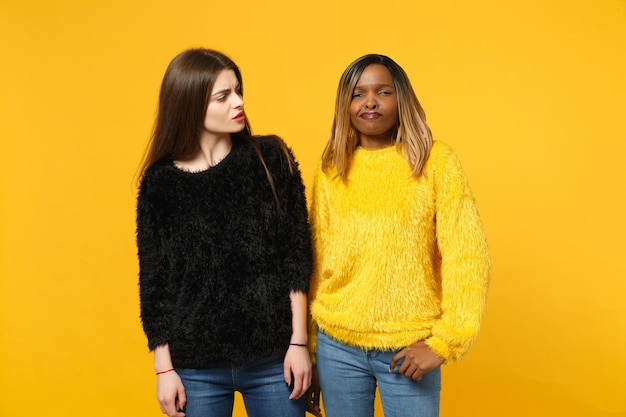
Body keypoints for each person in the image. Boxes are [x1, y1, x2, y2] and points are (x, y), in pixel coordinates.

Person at [307, 54, 491, 417]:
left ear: (401, 99)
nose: (370, 102)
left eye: (383, 91)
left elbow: (467, 256)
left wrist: (444, 343)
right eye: (357, 94)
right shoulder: (331, 167)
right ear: (345, 104)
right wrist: (311, 350)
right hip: (337, 346)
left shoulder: (436, 162)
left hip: (409, 346)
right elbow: (316, 258)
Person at [136, 48, 313, 417]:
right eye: (223, 96)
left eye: (238, 90)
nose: (239, 102)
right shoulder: (160, 184)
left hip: (273, 358)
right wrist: (163, 368)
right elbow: (156, 285)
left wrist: (299, 342)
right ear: (189, 105)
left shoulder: (271, 158)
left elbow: (295, 257)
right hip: (195, 366)